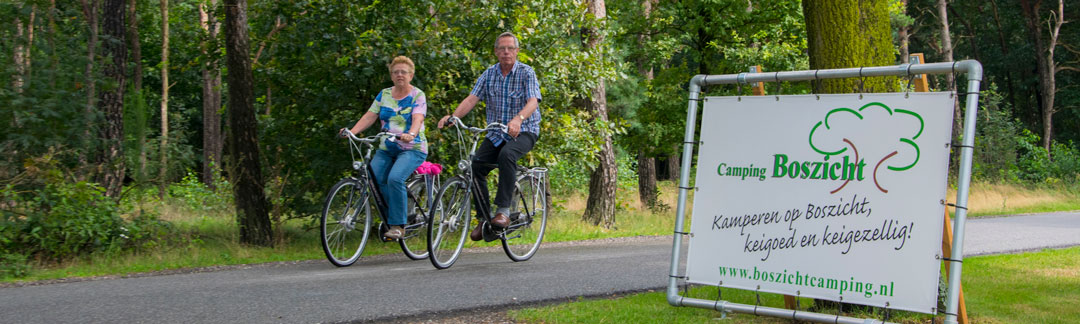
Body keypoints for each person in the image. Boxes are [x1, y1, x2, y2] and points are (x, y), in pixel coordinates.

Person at [438, 32, 541, 241]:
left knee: (507, 155)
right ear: (495, 52)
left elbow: (533, 101)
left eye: (510, 48)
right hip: (496, 133)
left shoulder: (526, 73)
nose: (506, 52)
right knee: (475, 165)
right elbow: (471, 99)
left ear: (517, 51)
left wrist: (518, 119)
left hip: (524, 130)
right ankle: (484, 218)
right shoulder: (489, 74)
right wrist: (453, 117)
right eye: (502, 48)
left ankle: (503, 210)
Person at [341, 56, 428, 240]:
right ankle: (395, 214)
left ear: (411, 75)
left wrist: (411, 133)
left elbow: (418, 118)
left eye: (403, 72)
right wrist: (352, 131)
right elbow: (370, 115)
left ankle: (398, 225)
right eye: (396, 72)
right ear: (391, 75)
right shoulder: (384, 94)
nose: (399, 75)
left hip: (412, 147)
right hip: (387, 147)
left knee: (395, 178)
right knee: (374, 177)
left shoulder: (417, 95)